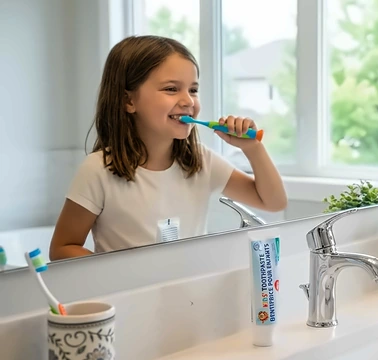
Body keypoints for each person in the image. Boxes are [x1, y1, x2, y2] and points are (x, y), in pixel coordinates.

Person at [50, 35, 287, 259]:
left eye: (193, 90)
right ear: (129, 101)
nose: (188, 101)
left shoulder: (200, 162)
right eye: (171, 89)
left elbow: (274, 202)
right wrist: (121, 274)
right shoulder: (99, 169)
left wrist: (253, 149)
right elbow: (62, 248)